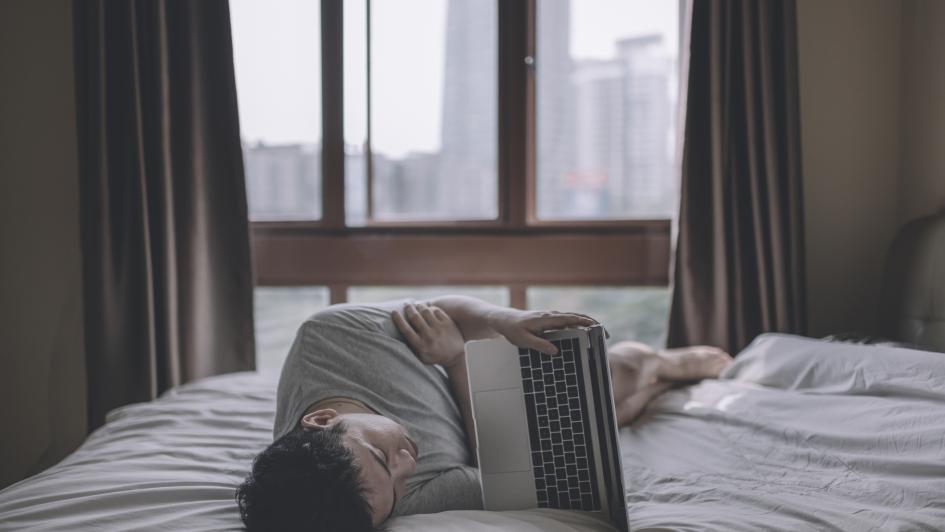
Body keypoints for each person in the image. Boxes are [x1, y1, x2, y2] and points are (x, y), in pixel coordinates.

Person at [235, 296, 731, 531]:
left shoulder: (332, 335)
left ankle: (665, 363)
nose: (410, 462)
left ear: (320, 421)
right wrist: (454, 361)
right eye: (400, 483)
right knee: (606, 419)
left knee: (614, 370)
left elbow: (441, 311)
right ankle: (658, 392)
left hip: (489, 364)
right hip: (475, 389)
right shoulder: (383, 501)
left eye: (384, 456)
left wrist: (505, 320)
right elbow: (501, 461)